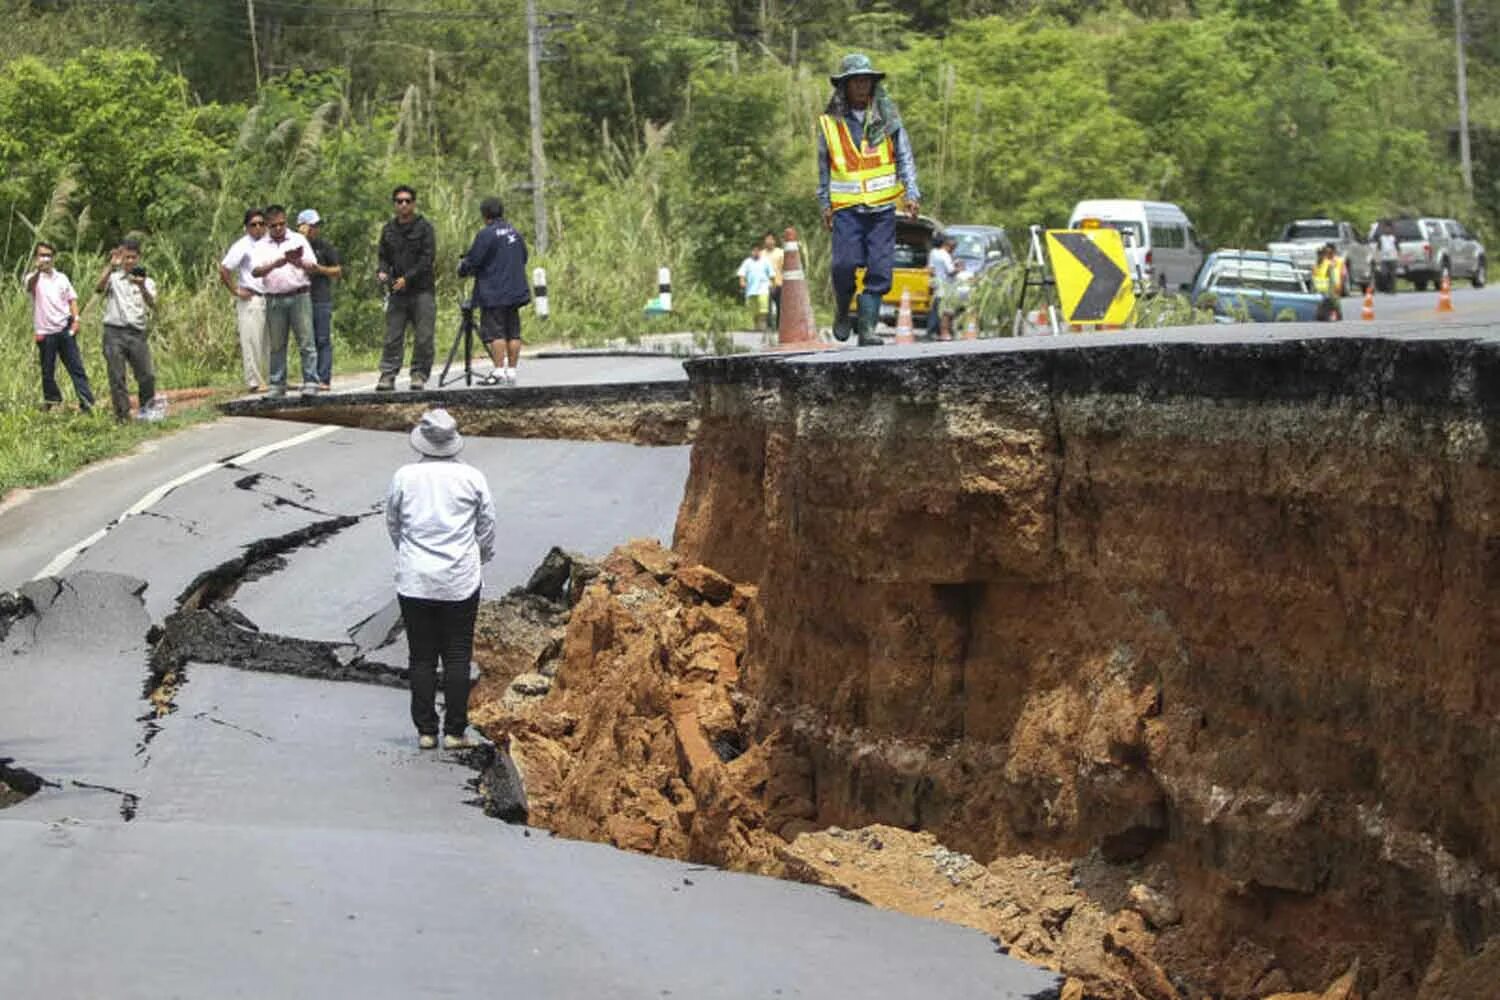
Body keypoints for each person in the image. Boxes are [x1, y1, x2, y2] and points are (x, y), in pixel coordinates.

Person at [384, 408, 496, 750]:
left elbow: (393, 522)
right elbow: (487, 525)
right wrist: (480, 556)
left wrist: (408, 553)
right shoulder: (472, 478)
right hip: (460, 579)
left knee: (421, 656)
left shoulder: (404, 477)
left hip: (415, 579)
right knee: (458, 654)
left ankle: (426, 731)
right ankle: (455, 731)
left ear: (422, 443)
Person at [818, 52, 920, 346]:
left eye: (867, 81)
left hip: (882, 209)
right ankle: (842, 309)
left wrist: (911, 193)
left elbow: (904, 157)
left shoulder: (888, 120)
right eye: (856, 81)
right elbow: (823, 168)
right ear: (845, 87)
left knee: (880, 269)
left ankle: (867, 329)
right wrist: (825, 203)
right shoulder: (830, 124)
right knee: (843, 265)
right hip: (847, 209)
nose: (862, 86)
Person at [458, 197, 531, 386]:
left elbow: (474, 260)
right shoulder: (514, 231)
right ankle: (512, 371)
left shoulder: (486, 234)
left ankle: (498, 371)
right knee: (513, 332)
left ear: (484, 215)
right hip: (515, 291)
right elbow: (524, 256)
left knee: (496, 332)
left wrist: (463, 267)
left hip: (494, 292)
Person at [250, 205, 321, 398]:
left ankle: (311, 381)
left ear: (286, 221)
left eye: (282, 224)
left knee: (306, 340)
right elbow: (255, 271)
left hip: (299, 294)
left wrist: (300, 262)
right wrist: (275, 263)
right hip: (275, 298)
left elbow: (313, 266)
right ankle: (277, 384)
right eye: (274, 226)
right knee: (277, 344)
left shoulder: (298, 239)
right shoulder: (260, 245)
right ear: (267, 226)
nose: (279, 228)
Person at [376, 185, 437, 392]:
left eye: (407, 201)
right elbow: (383, 256)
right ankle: (388, 374)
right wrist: (382, 271)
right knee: (393, 335)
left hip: (422, 290)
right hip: (397, 292)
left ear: (414, 203)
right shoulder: (389, 229)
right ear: (394, 204)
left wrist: (407, 278)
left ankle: (419, 374)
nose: (403, 204)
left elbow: (427, 259)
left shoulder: (424, 228)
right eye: (399, 201)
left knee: (424, 336)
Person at [95, 238, 160, 423]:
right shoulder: (114, 279)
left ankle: (147, 411)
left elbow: (153, 304)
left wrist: (141, 286)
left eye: (133, 257)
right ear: (121, 257)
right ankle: (122, 416)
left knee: (146, 375)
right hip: (114, 332)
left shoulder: (147, 281)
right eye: (126, 257)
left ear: (138, 258)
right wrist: (110, 266)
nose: (130, 261)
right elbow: (99, 288)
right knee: (117, 376)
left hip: (137, 332)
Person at [25, 242, 94, 413]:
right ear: (36, 257)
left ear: (53, 257)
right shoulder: (33, 278)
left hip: (64, 329)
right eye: (42, 255)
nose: (45, 258)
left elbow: (72, 299)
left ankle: (87, 403)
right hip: (45, 332)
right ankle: (52, 402)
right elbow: (29, 287)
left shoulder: (61, 278)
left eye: (48, 255)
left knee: (76, 368)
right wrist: (38, 271)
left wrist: (76, 320)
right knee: (47, 372)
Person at [218, 208, 268, 393]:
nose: (258, 228)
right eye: (253, 224)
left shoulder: (269, 243)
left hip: (269, 297)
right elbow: (224, 269)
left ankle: (272, 379)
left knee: (269, 342)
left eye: (261, 224)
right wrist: (236, 291)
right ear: (246, 227)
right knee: (252, 341)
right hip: (251, 298)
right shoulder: (242, 245)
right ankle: (254, 381)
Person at [297, 208, 342, 390]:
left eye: (316, 226)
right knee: (306, 341)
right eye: (311, 226)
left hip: (320, 298)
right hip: (300, 297)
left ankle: (324, 378)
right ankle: (310, 378)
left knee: (322, 339)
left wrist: (319, 269)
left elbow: (338, 271)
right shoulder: (294, 245)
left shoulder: (324, 246)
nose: (315, 230)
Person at [928, 233, 963, 340]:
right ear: (948, 245)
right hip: (946, 286)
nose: (954, 250)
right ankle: (944, 333)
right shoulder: (945, 255)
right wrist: (959, 268)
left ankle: (932, 332)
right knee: (945, 312)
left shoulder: (933, 253)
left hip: (937, 285)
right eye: (953, 248)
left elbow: (931, 270)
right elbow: (950, 271)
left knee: (935, 310)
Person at [736, 245, 773, 330]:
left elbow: (771, 274)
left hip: (763, 289)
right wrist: (742, 281)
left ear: (760, 252)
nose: (756, 252)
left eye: (758, 251)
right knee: (754, 310)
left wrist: (773, 284)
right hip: (751, 290)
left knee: (763, 309)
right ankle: (756, 326)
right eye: (754, 251)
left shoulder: (765, 261)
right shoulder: (747, 262)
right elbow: (742, 273)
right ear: (752, 252)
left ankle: (762, 326)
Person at [762, 231, 785, 331]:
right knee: (767, 307)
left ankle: (779, 327)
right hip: (765, 284)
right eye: (767, 239)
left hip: (779, 283)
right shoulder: (762, 254)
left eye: (771, 239)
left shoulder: (780, 252)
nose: (769, 241)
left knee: (780, 306)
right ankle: (769, 327)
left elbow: (785, 267)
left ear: (775, 241)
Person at [1312, 243, 1341, 321]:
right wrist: (1312, 291)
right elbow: (1313, 279)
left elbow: (1332, 280)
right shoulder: (1315, 265)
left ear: (1325, 255)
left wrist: (1330, 293)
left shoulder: (1328, 265)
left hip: (1327, 293)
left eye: (1322, 254)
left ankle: (1338, 316)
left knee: (1333, 308)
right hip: (1317, 292)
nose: (1320, 256)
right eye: (1319, 254)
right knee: (1318, 314)